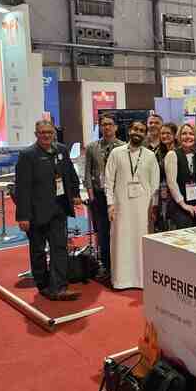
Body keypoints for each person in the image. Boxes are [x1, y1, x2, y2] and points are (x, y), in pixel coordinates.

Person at [14, 119, 81, 301]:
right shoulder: (27, 155)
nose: (46, 136)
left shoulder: (61, 150)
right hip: (36, 213)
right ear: (36, 134)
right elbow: (22, 188)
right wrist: (23, 216)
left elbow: (70, 175)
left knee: (59, 248)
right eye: (42, 133)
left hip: (59, 209)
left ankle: (59, 287)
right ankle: (43, 285)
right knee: (38, 251)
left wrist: (75, 193)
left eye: (49, 132)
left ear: (54, 134)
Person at [105, 120, 159, 289]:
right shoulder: (116, 153)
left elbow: (155, 184)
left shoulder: (150, 156)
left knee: (141, 241)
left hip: (143, 208)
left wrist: (154, 207)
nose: (138, 132)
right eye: (135, 129)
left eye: (142, 130)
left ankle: (141, 280)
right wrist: (110, 204)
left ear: (145, 134)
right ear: (129, 131)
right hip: (121, 206)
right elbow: (109, 181)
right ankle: (121, 280)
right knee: (121, 241)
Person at [84, 112, 124, 276]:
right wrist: (91, 194)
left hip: (118, 195)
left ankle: (120, 263)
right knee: (102, 231)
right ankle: (106, 265)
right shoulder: (92, 147)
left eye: (110, 124)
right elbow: (87, 172)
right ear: (100, 127)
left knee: (119, 230)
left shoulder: (123, 146)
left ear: (116, 127)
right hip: (99, 195)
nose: (107, 127)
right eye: (104, 124)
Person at [163, 123, 196, 229]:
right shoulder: (172, 155)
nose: (187, 136)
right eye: (184, 133)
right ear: (179, 137)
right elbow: (172, 183)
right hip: (178, 206)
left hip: (195, 205)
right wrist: (183, 205)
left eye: (191, 134)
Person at [152, 122, 177, 232]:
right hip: (161, 192)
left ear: (175, 135)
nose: (165, 136)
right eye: (162, 133)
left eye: (168, 133)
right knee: (162, 222)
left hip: (176, 191)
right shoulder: (158, 152)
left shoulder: (179, 150)